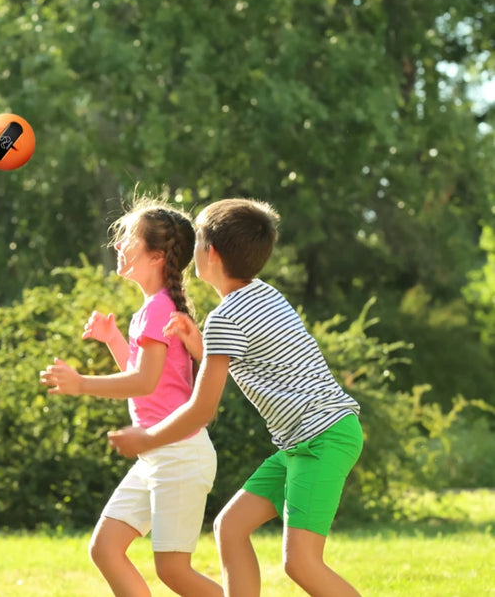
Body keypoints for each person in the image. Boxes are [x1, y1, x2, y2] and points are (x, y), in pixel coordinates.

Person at [108, 198, 364, 597]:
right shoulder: (262, 293)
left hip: (322, 439)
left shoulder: (225, 320)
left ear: (209, 254)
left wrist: (148, 438)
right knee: (230, 527)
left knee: (301, 563)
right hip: (305, 440)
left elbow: (202, 410)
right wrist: (199, 343)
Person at [40, 197, 221, 597]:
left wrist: (82, 382)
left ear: (156, 256)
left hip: (179, 453)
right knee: (106, 548)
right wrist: (113, 339)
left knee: (173, 570)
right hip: (156, 454)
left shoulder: (159, 308)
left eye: (127, 238)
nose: (117, 245)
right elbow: (146, 375)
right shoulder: (150, 310)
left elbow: (144, 382)